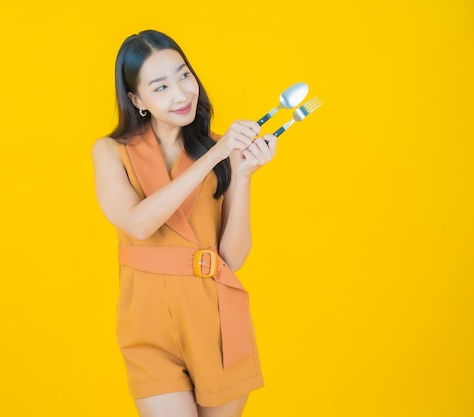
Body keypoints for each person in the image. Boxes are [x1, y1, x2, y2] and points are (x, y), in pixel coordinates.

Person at [92, 29, 277, 417]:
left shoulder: (221, 149)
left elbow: (233, 257)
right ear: (136, 99)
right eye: (160, 87)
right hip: (147, 324)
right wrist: (216, 155)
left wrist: (241, 176)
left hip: (216, 320)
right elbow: (138, 224)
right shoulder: (111, 152)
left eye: (184, 75)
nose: (181, 94)